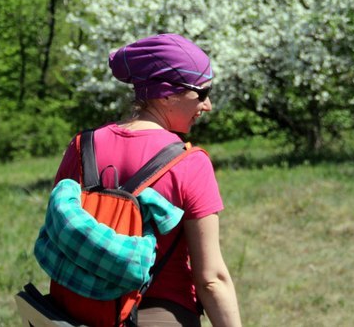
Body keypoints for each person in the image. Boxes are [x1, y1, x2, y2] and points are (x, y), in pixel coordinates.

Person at [51, 34, 242, 327]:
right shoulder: (190, 163)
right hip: (159, 316)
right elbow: (211, 280)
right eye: (202, 94)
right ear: (167, 94)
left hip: (78, 314)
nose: (208, 105)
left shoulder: (82, 146)